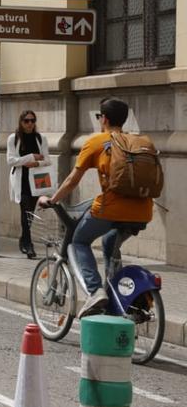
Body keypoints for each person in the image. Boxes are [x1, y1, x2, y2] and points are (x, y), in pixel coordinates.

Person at [38, 98, 153, 317]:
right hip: (143, 211)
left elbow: (72, 179)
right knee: (110, 243)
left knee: (78, 241)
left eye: (100, 117)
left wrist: (52, 200)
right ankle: (119, 299)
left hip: (111, 209)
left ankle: (95, 291)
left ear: (104, 119)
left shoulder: (96, 141)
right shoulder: (138, 142)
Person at [7, 110, 50, 258]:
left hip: (37, 179)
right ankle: (29, 244)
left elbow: (47, 160)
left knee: (30, 212)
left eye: (32, 120)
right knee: (25, 210)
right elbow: (11, 160)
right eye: (26, 121)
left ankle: (23, 239)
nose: (30, 124)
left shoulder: (40, 138)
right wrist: (31, 157)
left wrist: (36, 162)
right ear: (21, 122)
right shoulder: (14, 138)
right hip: (21, 180)